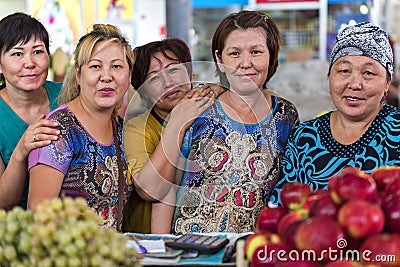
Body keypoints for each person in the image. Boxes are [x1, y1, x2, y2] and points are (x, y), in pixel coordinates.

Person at [169, 10, 299, 234]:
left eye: (256, 52)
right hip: (190, 248)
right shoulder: (198, 108)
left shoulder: (286, 116)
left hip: (255, 249)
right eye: (234, 53)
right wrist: (163, 249)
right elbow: (165, 189)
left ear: (271, 56)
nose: (245, 63)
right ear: (220, 59)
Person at [270, 22, 400, 205]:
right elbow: (281, 208)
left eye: (369, 73)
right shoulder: (303, 138)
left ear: (387, 83)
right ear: (330, 76)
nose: (355, 84)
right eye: (344, 71)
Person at [27, 23, 134, 231]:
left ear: (129, 75)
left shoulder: (122, 129)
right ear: (78, 75)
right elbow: (39, 215)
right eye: (95, 66)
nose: (106, 76)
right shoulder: (58, 132)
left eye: (117, 66)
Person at [123, 38, 221, 234]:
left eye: (174, 69)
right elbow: (150, 190)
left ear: (190, 73)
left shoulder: (212, 110)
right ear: (143, 93)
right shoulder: (137, 128)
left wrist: (221, 88)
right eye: (154, 78)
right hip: (150, 244)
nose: (168, 82)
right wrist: (177, 123)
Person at [0, 12, 61, 210]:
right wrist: (22, 150)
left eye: (37, 51)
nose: (30, 63)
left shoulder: (67, 95)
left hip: (74, 221)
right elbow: (3, 202)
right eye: (17, 53)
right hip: (19, 230)